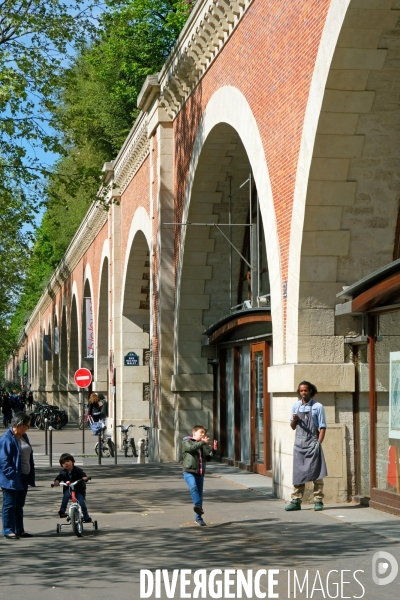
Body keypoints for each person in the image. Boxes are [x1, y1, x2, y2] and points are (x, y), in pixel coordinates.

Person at [285, 381, 327, 512]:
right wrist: (295, 420)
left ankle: (318, 500)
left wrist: (318, 443)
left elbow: (322, 427)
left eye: (305, 391)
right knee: (298, 474)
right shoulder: (295, 406)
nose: (303, 393)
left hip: (312, 443)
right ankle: (296, 501)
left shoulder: (318, 407)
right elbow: (292, 427)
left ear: (310, 391)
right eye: (301, 391)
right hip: (299, 444)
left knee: (317, 473)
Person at [0, 412, 35, 539]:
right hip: (12, 479)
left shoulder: (23, 436)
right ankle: (8, 530)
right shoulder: (6, 439)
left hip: (23, 477)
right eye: (27, 425)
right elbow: (4, 462)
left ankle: (19, 529)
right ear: (19, 425)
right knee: (9, 505)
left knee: (19, 504)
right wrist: (14, 476)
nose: (28, 428)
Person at [182, 425, 217, 526]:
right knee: (193, 487)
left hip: (200, 473)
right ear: (194, 433)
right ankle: (198, 506)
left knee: (200, 495)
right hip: (189, 471)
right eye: (201, 432)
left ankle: (198, 518)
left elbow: (208, 458)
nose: (203, 435)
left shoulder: (202, 445)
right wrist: (202, 443)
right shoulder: (186, 441)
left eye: (204, 433)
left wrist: (213, 451)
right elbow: (191, 448)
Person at [53, 453, 92, 522]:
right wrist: (57, 481)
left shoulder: (77, 470)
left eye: (68, 461)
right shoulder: (63, 472)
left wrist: (85, 478)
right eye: (63, 463)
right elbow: (59, 477)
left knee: (81, 501)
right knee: (66, 495)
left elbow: (82, 475)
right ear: (62, 465)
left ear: (73, 462)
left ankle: (86, 516)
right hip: (68, 490)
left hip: (79, 490)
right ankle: (62, 510)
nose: (66, 464)